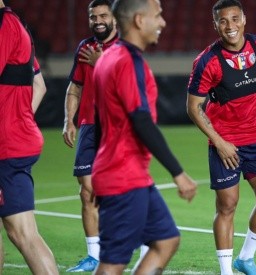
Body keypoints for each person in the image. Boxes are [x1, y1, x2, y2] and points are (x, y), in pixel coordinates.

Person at [187, 1, 256, 274]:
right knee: (227, 205)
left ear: (244, 19)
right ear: (216, 25)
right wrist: (219, 142)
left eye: (235, 18)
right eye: (223, 21)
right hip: (225, 144)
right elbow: (193, 107)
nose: (230, 26)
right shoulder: (207, 61)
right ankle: (226, 271)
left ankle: (245, 258)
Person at [92, 0, 197, 274]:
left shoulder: (107, 58)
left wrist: (97, 171)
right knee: (113, 264)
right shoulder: (128, 61)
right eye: (158, 16)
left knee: (166, 240)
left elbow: (99, 122)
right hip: (124, 177)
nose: (162, 22)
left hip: (126, 174)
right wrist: (178, 173)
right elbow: (141, 120)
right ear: (139, 20)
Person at [62, 0, 121, 272]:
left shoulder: (126, 48)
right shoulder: (85, 48)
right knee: (87, 191)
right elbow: (75, 86)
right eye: (92, 16)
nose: (97, 20)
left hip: (118, 127)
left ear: (114, 18)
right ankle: (94, 256)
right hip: (88, 126)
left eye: (102, 15)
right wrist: (68, 120)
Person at [0, 2, 58, 274]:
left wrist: (12, 123)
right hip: (14, 138)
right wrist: (19, 119)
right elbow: (40, 85)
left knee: (23, 233)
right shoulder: (16, 25)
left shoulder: (3, 25)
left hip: (5, 147)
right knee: (17, 232)